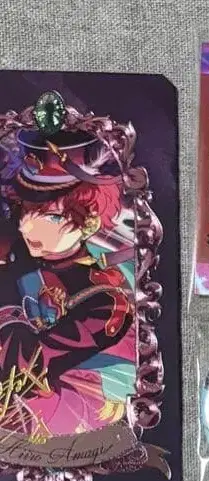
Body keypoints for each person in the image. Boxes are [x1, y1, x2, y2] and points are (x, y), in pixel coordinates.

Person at [0, 123, 136, 434]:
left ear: (89, 222)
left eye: (51, 216)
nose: (27, 226)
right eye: (26, 211)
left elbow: (29, 365)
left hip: (50, 419)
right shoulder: (16, 255)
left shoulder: (105, 298)